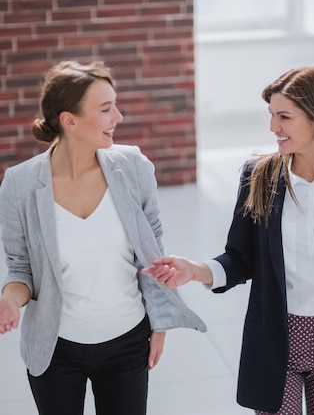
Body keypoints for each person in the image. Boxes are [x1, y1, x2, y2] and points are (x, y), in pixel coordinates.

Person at [142, 66, 314, 414]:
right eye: (271, 115)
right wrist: (193, 270)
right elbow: (239, 259)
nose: (273, 127)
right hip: (274, 342)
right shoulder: (260, 176)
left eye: (284, 116)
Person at [0, 60, 206, 415]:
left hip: (128, 341)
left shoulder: (133, 166)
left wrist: (160, 324)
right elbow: (21, 269)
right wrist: (8, 298)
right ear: (69, 120)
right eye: (106, 109)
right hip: (55, 350)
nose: (119, 117)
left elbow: (153, 252)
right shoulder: (20, 183)